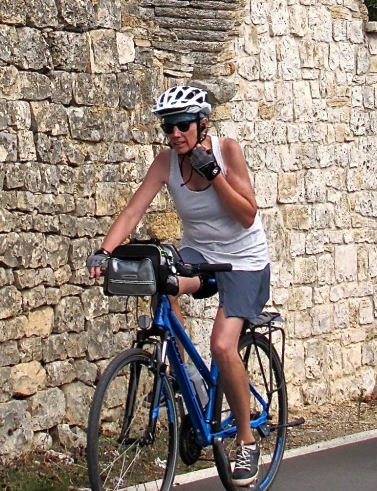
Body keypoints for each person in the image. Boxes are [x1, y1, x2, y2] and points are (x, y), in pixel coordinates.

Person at [86, 85, 271, 485]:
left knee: (222, 344)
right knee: (161, 286)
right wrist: (104, 251)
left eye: (182, 125)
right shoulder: (166, 162)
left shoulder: (228, 151)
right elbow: (134, 209)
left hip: (244, 261)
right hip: (199, 257)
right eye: (168, 127)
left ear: (203, 124)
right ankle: (197, 394)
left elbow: (246, 215)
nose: (174, 134)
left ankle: (246, 440)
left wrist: (214, 174)